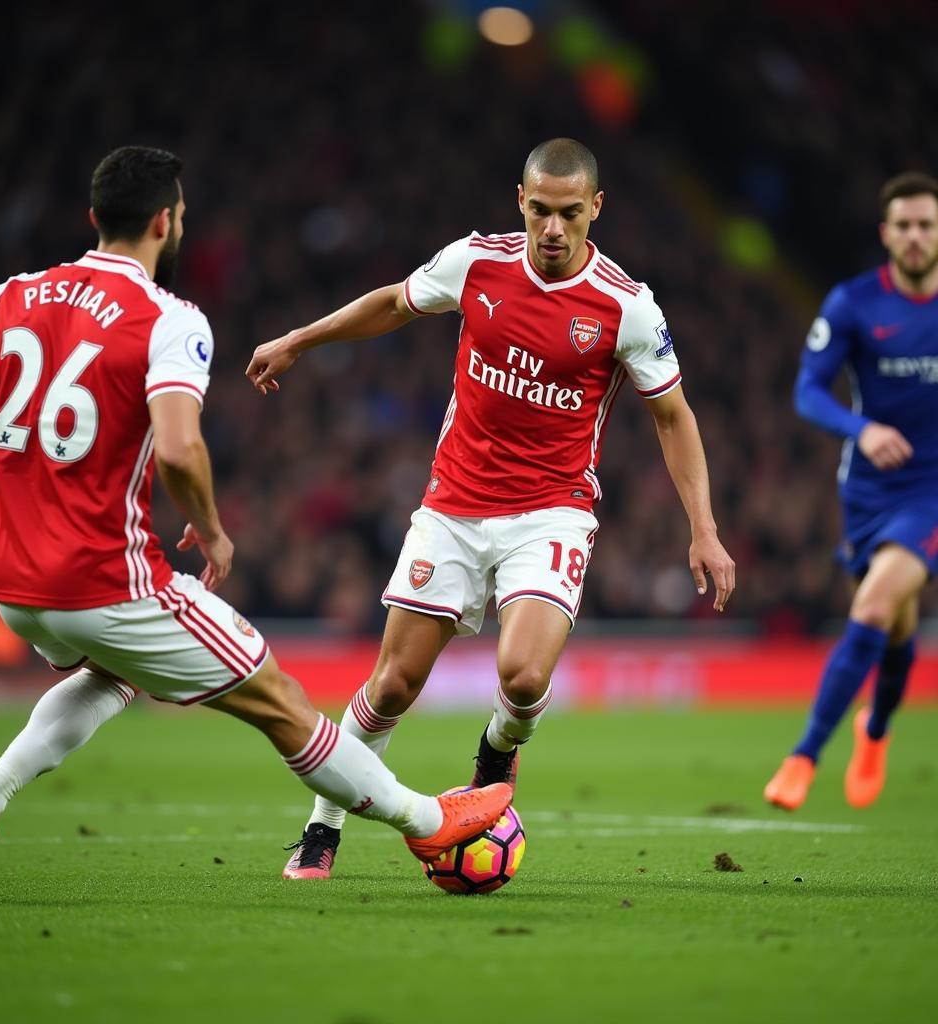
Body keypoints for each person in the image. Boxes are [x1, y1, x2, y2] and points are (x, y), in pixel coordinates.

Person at [0, 145, 511, 881]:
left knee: (112, 677)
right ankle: (428, 821)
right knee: (280, 701)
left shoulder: (14, 295)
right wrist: (214, 525)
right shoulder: (169, 319)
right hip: (107, 580)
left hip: (11, 583)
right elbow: (177, 447)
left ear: (96, 216)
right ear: (166, 220)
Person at [246, 137, 736, 880]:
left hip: (551, 512)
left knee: (525, 678)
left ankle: (495, 757)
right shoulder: (476, 262)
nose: (552, 229)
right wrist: (300, 339)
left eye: (570, 214)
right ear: (520, 199)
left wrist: (703, 527)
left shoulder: (625, 306)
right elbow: (392, 304)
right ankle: (323, 827)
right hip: (453, 505)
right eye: (539, 210)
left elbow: (673, 416)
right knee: (391, 687)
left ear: (595, 209)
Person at [764, 171, 938, 811]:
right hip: (866, 491)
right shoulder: (854, 302)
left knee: (870, 607)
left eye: (927, 224)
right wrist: (861, 430)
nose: (916, 236)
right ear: (887, 233)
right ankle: (877, 726)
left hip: (932, 490)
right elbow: (808, 390)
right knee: (895, 625)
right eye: (906, 225)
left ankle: (803, 756)